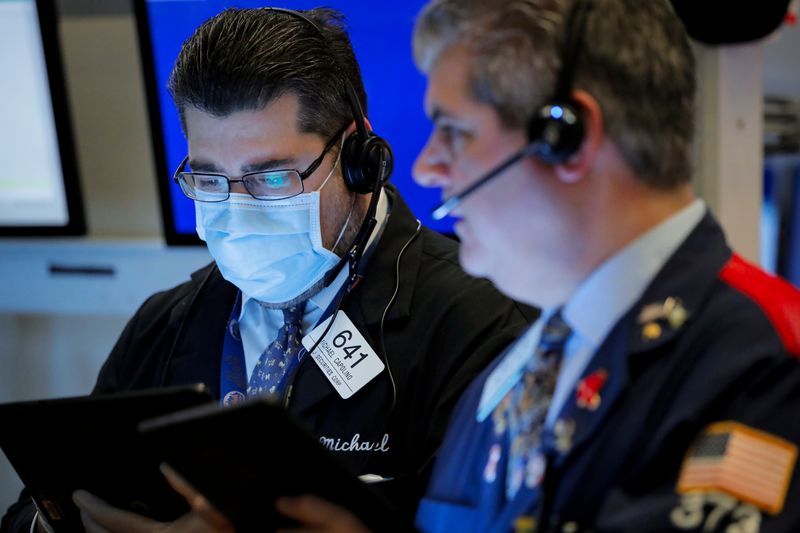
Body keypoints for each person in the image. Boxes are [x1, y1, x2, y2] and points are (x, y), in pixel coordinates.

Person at [268, 0, 800, 531]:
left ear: (566, 137)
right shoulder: (518, 370)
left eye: (453, 130)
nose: (425, 167)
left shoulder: (763, 360)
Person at [0, 7, 534, 533]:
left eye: (271, 179)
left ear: (358, 156)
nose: (236, 212)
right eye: (209, 181)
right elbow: (27, 514)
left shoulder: (481, 327)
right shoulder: (164, 326)